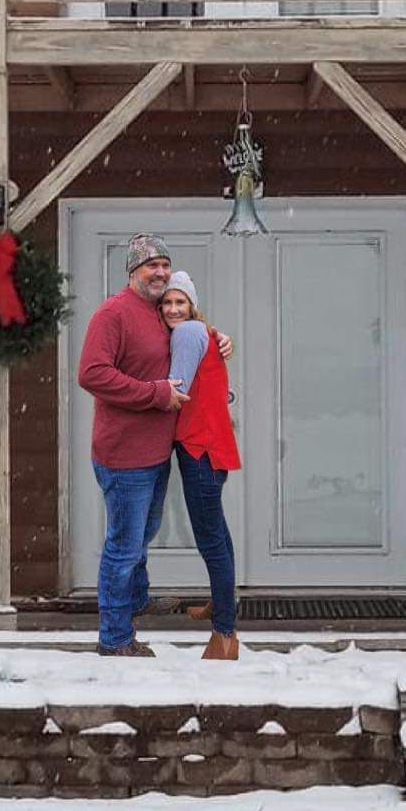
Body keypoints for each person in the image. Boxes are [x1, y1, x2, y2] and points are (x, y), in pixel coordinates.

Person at [75, 233, 232, 658]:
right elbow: (91, 373)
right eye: (151, 265)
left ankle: (136, 598)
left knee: (142, 535)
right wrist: (154, 393)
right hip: (124, 455)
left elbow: (189, 339)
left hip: (156, 451)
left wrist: (216, 339)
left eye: (165, 264)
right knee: (123, 547)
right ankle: (115, 638)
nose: (160, 272)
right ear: (133, 272)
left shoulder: (161, 314)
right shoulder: (113, 314)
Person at [161, 271, 241, 660]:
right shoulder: (203, 332)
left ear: (191, 305)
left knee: (210, 539)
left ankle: (224, 635)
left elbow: (175, 387)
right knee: (218, 535)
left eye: (181, 302)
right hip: (210, 445)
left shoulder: (188, 333)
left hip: (200, 449)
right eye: (167, 303)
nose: (174, 309)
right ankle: (221, 602)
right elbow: (217, 389)